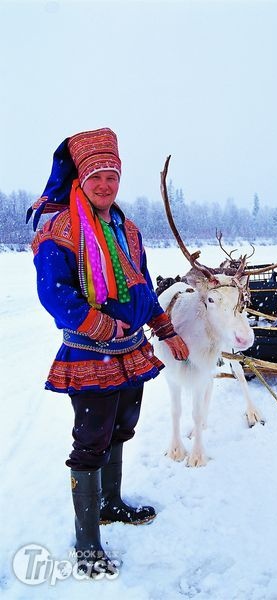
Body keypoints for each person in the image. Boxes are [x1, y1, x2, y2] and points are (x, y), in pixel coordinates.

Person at [27, 128, 189, 576]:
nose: (104, 185)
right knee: (90, 443)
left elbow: (142, 289)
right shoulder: (60, 229)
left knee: (121, 428)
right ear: (81, 177)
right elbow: (54, 294)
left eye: (112, 177)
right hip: (89, 355)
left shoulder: (127, 229)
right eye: (96, 176)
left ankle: (109, 503)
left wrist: (167, 330)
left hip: (131, 351)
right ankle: (87, 546)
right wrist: (100, 324)